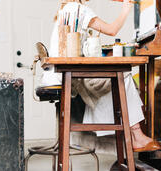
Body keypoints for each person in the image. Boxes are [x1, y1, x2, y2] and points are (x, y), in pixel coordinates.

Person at [41, 0, 161, 152]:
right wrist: (126, 9)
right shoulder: (77, 9)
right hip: (66, 74)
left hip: (61, 72)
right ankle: (136, 135)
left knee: (118, 75)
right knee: (122, 76)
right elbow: (112, 30)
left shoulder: (67, 9)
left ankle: (131, 136)